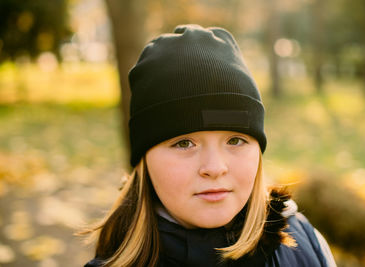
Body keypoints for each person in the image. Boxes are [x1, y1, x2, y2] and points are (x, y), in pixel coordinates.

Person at [83, 24, 336, 267]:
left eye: (235, 140)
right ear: (144, 158)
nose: (214, 168)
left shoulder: (306, 243)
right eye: (184, 143)